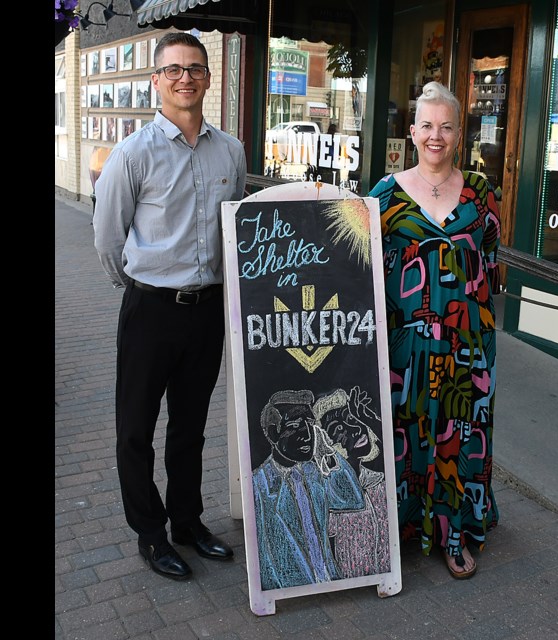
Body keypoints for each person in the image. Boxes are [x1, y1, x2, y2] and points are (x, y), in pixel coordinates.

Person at [92, 32, 247, 581]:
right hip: (150, 310)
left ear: (208, 78)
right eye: (174, 69)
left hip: (207, 312)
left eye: (196, 69)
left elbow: (236, 234)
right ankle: (151, 534)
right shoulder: (134, 153)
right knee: (135, 427)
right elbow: (108, 239)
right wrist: (140, 290)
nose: (186, 78)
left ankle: (188, 522)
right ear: (157, 80)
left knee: (190, 426)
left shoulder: (231, 150)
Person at [368, 81, 501, 580]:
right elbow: (356, 265)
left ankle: (453, 533)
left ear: (459, 134)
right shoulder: (384, 195)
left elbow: (489, 265)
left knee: (457, 436)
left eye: (446, 126)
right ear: (412, 131)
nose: (436, 136)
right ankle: (400, 528)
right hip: (405, 346)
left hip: (468, 345)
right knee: (405, 433)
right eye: (427, 125)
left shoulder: (482, 194)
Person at [251, 390, 365, 590]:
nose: (306, 435)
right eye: (294, 426)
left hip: (329, 577)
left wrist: (328, 454)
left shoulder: (315, 471)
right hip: (288, 587)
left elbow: (353, 500)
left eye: (309, 425)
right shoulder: (259, 486)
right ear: (272, 432)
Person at [316, 386, 391, 579]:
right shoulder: (330, 494)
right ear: (328, 443)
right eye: (338, 429)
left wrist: (371, 420)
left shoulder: (377, 481)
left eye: (352, 420)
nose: (356, 428)